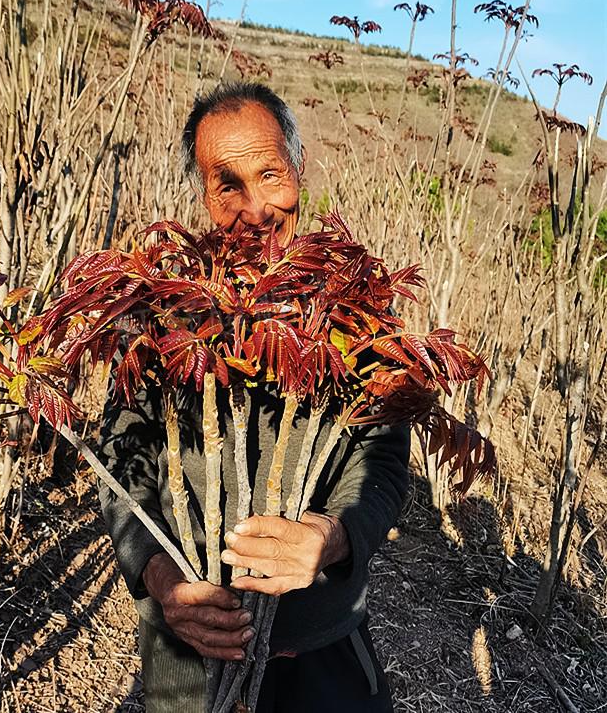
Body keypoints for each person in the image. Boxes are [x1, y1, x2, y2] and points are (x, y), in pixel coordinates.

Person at [99, 82, 410, 712]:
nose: (256, 208)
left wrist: (334, 535)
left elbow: (382, 466)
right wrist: (160, 579)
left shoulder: (357, 312)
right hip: (188, 647)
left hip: (320, 646)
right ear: (203, 196)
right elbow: (119, 455)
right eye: (227, 184)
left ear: (298, 170)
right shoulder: (165, 312)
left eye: (269, 174)